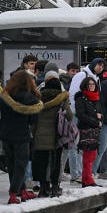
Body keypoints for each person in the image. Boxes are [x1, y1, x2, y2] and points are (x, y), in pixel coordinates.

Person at [0, 70, 43, 204]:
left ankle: (22, 191)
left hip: (6, 134)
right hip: (21, 135)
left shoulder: (5, 96)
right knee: (21, 165)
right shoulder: (31, 98)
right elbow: (32, 121)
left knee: (11, 164)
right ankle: (13, 194)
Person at [65, 57, 106, 183]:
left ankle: (83, 173)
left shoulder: (95, 77)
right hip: (78, 115)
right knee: (74, 145)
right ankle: (75, 173)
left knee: (85, 146)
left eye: (102, 66)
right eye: (99, 65)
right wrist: (74, 113)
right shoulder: (82, 75)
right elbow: (73, 94)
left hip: (87, 117)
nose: (100, 67)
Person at [32, 71, 72, 197]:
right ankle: (55, 188)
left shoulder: (37, 98)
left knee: (41, 162)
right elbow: (70, 116)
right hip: (57, 136)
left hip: (40, 135)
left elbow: (32, 117)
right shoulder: (62, 98)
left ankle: (43, 189)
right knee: (55, 163)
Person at [74, 77, 102, 187]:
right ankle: (88, 180)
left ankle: (87, 179)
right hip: (86, 129)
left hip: (95, 130)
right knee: (88, 155)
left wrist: (100, 119)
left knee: (92, 155)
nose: (91, 86)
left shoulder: (97, 98)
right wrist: (96, 119)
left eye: (93, 84)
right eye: (89, 84)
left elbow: (100, 112)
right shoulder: (80, 98)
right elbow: (81, 115)